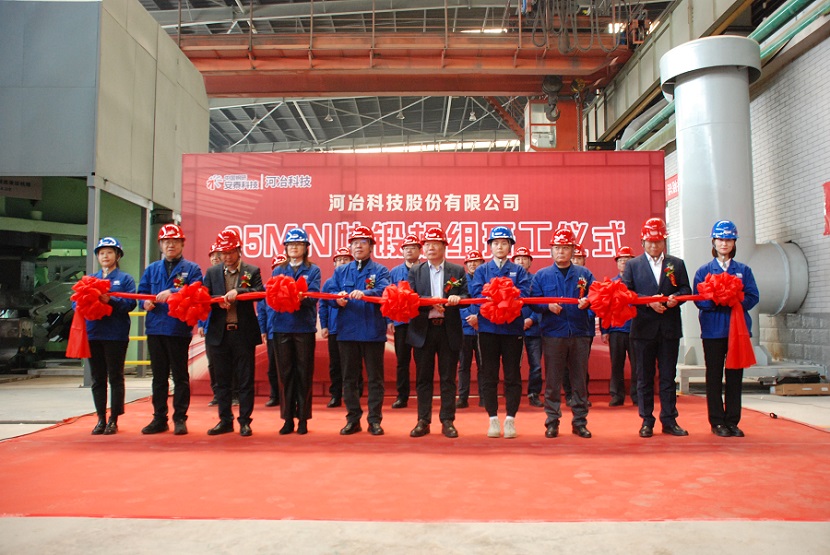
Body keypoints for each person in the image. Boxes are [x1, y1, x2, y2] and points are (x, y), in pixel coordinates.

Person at [622, 217, 692, 438]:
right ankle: (646, 420)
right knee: (644, 377)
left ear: (664, 242)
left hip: (669, 328)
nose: (654, 246)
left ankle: (669, 420)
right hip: (643, 328)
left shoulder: (676, 264)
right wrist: (648, 301)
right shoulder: (633, 265)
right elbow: (626, 292)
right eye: (650, 242)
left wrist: (675, 299)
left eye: (658, 241)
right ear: (643, 242)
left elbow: (686, 289)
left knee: (668, 376)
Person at [694, 220, 759, 437]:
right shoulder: (704, 271)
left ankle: (732, 421)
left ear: (734, 242)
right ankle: (716, 422)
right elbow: (699, 299)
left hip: (737, 332)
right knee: (713, 376)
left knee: (734, 376)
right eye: (721, 239)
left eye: (729, 239)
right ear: (713, 241)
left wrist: (735, 300)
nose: (724, 243)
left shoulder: (743, 270)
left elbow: (753, 296)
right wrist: (717, 300)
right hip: (713, 331)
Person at [138, 224, 203, 436]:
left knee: (180, 376)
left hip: (178, 329)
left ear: (182, 244)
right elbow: (141, 293)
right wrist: (144, 303)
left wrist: (173, 292)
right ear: (160, 245)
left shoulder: (192, 269)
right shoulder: (151, 269)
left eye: (175, 241)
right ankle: (159, 418)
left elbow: (197, 291)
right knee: (159, 377)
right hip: (155, 328)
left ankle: (180, 418)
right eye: (166, 242)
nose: (170, 245)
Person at [531, 228, 595, 439]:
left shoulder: (584, 274)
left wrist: (588, 303)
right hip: (553, 334)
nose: (561, 251)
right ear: (551, 250)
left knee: (579, 381)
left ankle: (580, 422)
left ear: (573, 250)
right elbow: (533, 302)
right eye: (557, 248)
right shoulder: (542, 275)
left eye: (565, 248)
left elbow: (597, 299)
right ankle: (552, 422)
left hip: (579, 333)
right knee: (553, 381)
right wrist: (547, 306)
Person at [328, 225, 391, 436]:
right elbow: (330, 295)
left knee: (375, 379)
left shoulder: (380, 270)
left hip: (372, 331)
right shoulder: (341, 271)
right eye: (355, 243)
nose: (358, 246)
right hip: (347, 332)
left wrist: (365, 293)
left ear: (371, 246)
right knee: (349, 379)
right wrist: (337, 300)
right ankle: (353, 419)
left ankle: (374, 420)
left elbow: (384, 290)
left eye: (363, 242)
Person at [469, 226, 530, 439]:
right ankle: (493, 418)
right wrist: (492, 295)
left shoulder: (519, 270)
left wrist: (508, 294)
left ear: (510, 246)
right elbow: (475, 294)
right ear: (490, 247)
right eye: (496, 243)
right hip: (488, 329)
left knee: (512, 374)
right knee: (489, 374)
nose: (500, 247)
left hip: (512, 329)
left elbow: (525, 293)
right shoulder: (482, 270)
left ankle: (510, 419)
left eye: (504, 243)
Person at [406, 228, 468, 438]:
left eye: (435, 244)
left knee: (448, 378)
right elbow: (410, 297)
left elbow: (466, 295)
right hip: (423, 330)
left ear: (444, 247)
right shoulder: (416, 271)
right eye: (427, 244)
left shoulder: (456, 270)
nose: (430, 247)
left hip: (448, 330)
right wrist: (430, 303)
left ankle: (447, 420)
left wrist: (457, 300)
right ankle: (423, 421)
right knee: (423, 378)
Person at [202, 228, 264, 437]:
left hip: (242, 333)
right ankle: (225, 420)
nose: (227, 257)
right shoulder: (212, 273)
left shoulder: (251, 271)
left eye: (230, 252)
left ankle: (245, 421)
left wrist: (239, 292)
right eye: (223, 253)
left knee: (245, 380)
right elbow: (203, 297)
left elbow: (260, 293)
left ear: (239, 250)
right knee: (222, 381)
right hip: (219, 335)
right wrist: (216, 302)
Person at [269, 229, 321, 435]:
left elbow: (314, 295)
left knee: (304, 373)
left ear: (306, 248)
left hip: (304, 328)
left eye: (298, 244)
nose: (294, 248)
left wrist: (301, 297)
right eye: (290, 245)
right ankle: (287, 418)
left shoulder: (313, 270)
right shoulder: (278, 270)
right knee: (285, 375)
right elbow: (272, 296)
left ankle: (303, 419)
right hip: (282, 327)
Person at [85, 237, 136, 435]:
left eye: (109, 252)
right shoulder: (90, 279)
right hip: (94, 334)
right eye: (101, 253)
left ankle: (114, 419)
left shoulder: (125, 279)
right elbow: (76, 301)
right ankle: (100, 418)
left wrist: (111, 300)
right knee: (97, 377)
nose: (105, 256)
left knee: (115, 376)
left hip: (116, 334)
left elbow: (130, 303)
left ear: (117, 255)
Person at [388, 234, 423, 409]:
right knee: (402, 361)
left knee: (422, 361)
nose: (409, 250)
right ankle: (402, 396)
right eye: (406, 248)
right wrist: (389, 319)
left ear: (419, 250)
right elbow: (388, 297)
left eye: (413, 247)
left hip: (420, 321)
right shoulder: (394, 272)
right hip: (401, 322)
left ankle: (423, 395)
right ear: (402, 251)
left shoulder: (425, 269)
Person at [601, 246, 638, 407]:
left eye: (627, 260)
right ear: (617, 263)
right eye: (621, 260)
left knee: (638, 364)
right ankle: (617, 395)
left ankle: (637, 395)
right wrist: (605, 330)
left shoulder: (639, 282)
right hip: (616, 329)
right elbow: (604, 308)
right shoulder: (611, 284)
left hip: (636, 329)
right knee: (616, 364)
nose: (624, 263)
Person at [320, 247, 353, 408]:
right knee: (335, 364)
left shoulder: (354, 280)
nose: (342, 262)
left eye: (345, 259)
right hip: (335, 329)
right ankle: (336, 395)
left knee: (353, 364)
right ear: (334, 264)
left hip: (352, 329)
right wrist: (324, 325)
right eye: (339, 260)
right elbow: (323, 305)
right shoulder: (329, 283)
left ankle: (354, 393)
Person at [512, 246, 543, 408]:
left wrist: (531, 319)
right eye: (518, 259)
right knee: (512, 364)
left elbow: (540, 302)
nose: (521, 261)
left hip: (533, 328)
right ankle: (513, 394)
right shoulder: (509, 280)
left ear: (530, 262)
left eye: (525, 258)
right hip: (513, 327)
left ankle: (534, 393)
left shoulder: (536, 279)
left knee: (536, 365)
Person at [456, 250, 484, 409]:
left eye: (476, 261)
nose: (473, 264)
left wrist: (479, 317)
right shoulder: (458, 281)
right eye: (470, 262)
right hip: (464, 329)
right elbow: (455, 302)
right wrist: (469, 317)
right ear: (465, 265)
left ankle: (484, 397)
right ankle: (462, 397)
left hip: (482, 328)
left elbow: (490, 301)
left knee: (484, 366)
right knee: (463, 366)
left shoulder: (487, 279)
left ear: (482, 263)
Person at [257, 254, 285, 408]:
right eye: (276, 268)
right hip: (272, 332)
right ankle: (275, 395)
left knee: (288, 367)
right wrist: (263, 330)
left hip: (288, 331)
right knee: (273, 367)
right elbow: (261, 312)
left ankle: (288, 396)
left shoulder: (291, 287)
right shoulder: (266, 289)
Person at [199, 242, 222, 407]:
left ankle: (233, 393)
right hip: (210, 327)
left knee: (229, 362)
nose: (215, 258)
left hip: (226, 326)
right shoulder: (206, 278)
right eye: (212, 255)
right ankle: (217, 393)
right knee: (212, 362)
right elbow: (200, 303)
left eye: (218, 255)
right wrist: (201, 324)